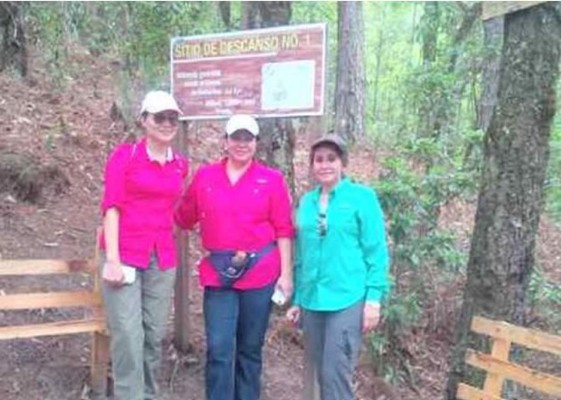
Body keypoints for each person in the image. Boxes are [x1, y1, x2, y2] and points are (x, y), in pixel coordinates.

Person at [174, 114, 294, 400]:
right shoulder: (206, 177)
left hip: (261, 274)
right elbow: (183, 216)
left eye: (248, 138)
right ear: (225, 141)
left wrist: (286, 275)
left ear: (256, 143)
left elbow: (283, 229)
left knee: (250, 349)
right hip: (219, 274)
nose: (242, 144)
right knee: (218, 348)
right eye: (236, 137)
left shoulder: (271, 179)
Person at [286, 134, 390, 400]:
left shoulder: (361, 197)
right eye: (319, 160)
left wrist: (374, 300)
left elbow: (376, 251)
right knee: (322, 373)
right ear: (312, 165)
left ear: (343, 163)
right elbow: (302, 255)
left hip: (347, 299)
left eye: (331, 158)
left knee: (336, 375)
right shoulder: (306, 202)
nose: (325, 165)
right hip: (312, 301)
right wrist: (297, 300)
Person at [99, 90, 188, 400]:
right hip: (123, 254)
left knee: (153, 334)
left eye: (172, 118)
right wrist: (111, 259)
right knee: (127, 334)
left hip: (161, 258)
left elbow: (174, 209)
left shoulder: (179, 165)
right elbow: (112, 206)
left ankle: (149, 394)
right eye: (159, 117)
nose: (166, 123)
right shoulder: (125, 156)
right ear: (144, 120)